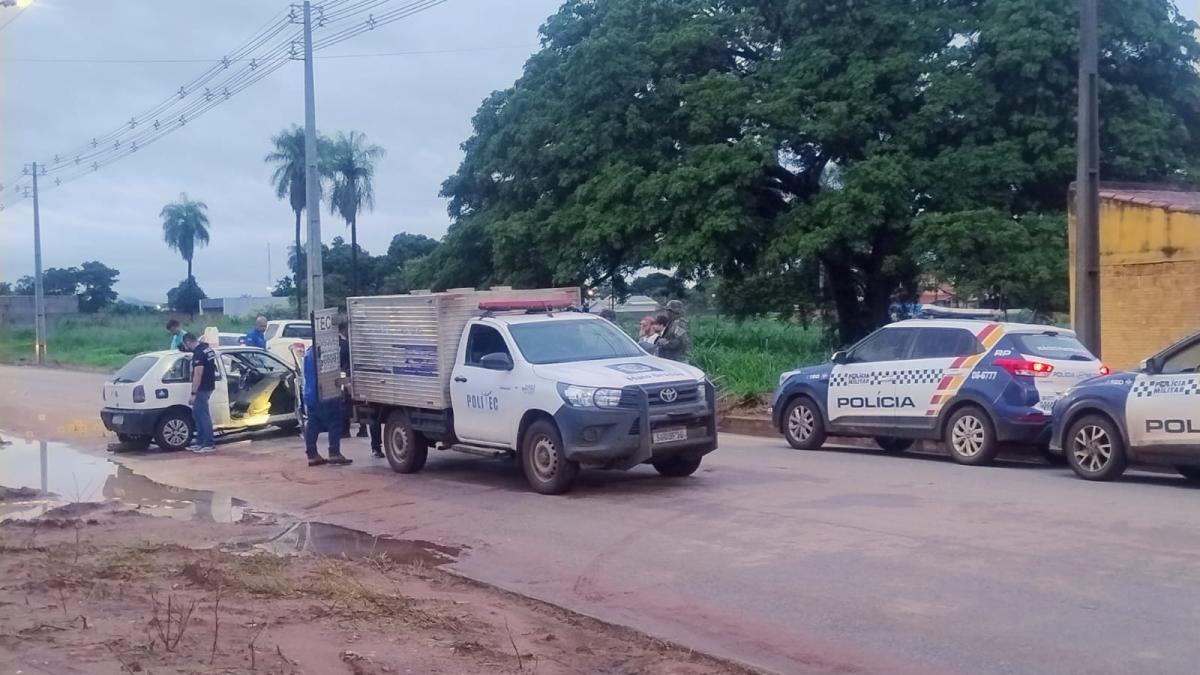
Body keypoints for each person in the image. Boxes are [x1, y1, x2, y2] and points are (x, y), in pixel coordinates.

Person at [303, 343, 353, 467]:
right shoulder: (324, 353)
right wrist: (347, 384)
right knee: (335, 422)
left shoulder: (309, 352)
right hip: (325, 394)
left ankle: (312, 454)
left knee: (313, 425)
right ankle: (334, 452)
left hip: (310, 394)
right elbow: (331, 376)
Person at [181, 333, 217, 454]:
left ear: (188, 342)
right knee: (197, 414)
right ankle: (200, 442)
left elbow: (198, 373)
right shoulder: (207, 349)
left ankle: (208, 443)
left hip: (202, 387)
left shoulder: (199, 353)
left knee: (202, 416)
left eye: (185, 344)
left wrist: (193, 393)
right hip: (209, 385)